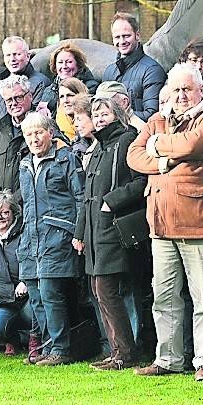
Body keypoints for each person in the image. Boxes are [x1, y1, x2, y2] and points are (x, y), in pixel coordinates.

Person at [127, 64, 203, 382]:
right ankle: (168, 358)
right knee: (164, 296)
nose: (181, 95)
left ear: (201, 90)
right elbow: (133, 155)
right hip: (159, 225)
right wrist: (166, 160)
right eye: (176, 90)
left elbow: (193, 144)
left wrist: (157, 146)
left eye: (187, 89)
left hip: (196, 223)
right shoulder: (158, 119)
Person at [75, 94, 145, 370]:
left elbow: (140, 182)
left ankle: (126, 352)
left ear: (117, 114)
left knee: (106, 289)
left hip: (113, 229)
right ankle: (117, 350)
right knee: (98, 289)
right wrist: (80, 233)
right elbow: (86, 196)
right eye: (96, 113)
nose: (100, 117)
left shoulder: (126, 141)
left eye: (105, 113)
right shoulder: (98, 148)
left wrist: (111, 201)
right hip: (94, 231)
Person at [16, 112, 85, 366]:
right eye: (29, 134)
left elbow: (80, 197)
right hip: (31, 240)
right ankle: (47, 347)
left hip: (57, 237)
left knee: (50, 293)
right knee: (36, 296)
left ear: (50, 133)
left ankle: (61, 348)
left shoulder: (65, 159)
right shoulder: (24, 165)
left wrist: (78, 233)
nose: (34, 139)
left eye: (38, 133)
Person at [0, 192, 33, 356]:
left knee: (37, 311)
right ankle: (13, 339)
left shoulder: (26, 233)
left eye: (5, 212)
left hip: (29, 295)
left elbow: (35, 261)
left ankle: (35, 338)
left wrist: (26, 281)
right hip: (2, 300)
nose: (0, 217)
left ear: (14, 213)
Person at [0, 74, 36, 204]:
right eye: (8, 100)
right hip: (1, 212)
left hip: (31, 207)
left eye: (18, 97)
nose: (14, 103)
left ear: (30, 96)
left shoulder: (41, 127)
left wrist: (12, 203)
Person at [102, 13, 166, 119]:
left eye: (126, 36)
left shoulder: (152, 71)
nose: (122, 41)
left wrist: (114, 117)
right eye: (117, 37)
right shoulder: (109, 71)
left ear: (137, 35)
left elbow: (152, 115)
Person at [0, 36, 54, 117]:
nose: (12, 59)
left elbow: (35, 117)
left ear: (28, 56)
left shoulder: (41, 83)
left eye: (17, 54)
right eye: (8, 55)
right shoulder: (4, 82)